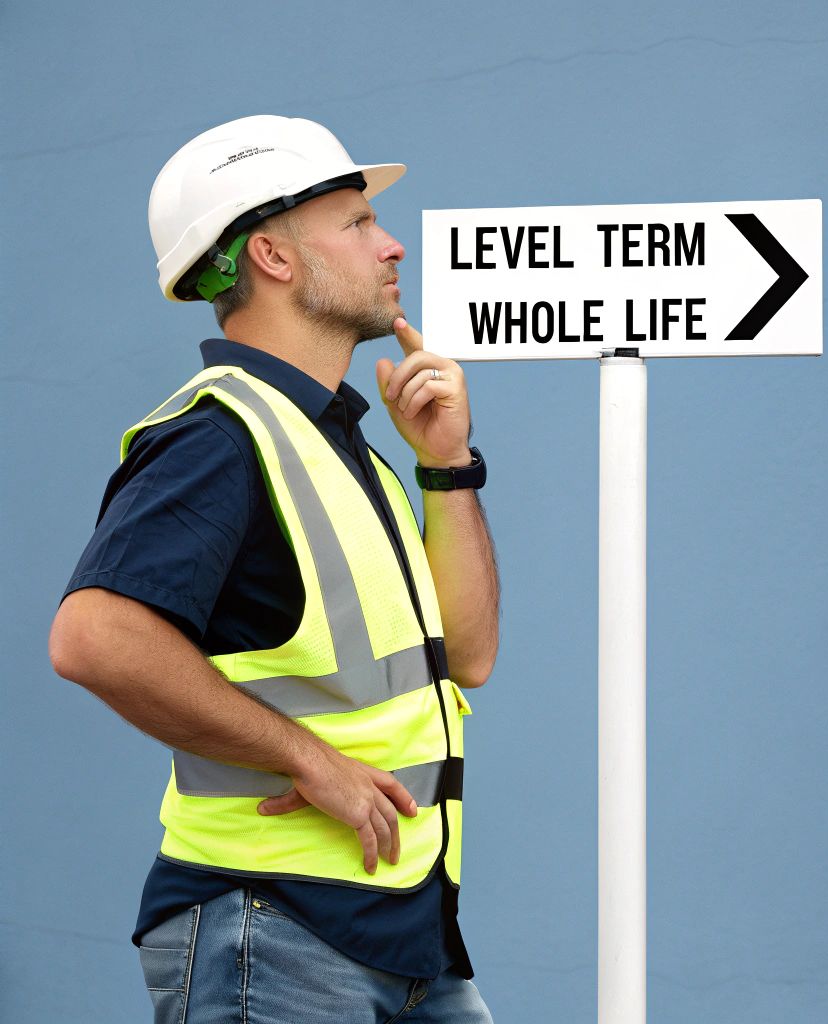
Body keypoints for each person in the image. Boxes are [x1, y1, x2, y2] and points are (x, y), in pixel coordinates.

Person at [48, 114, 499, 1023]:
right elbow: (93, 637)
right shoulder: (219, 436)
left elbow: (469, 657)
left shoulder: (342, 444)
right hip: (275, 928)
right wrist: (307, 758)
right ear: (274, 257)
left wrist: (447, 465)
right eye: (358, 223)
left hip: (408, 929)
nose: (392, 244)